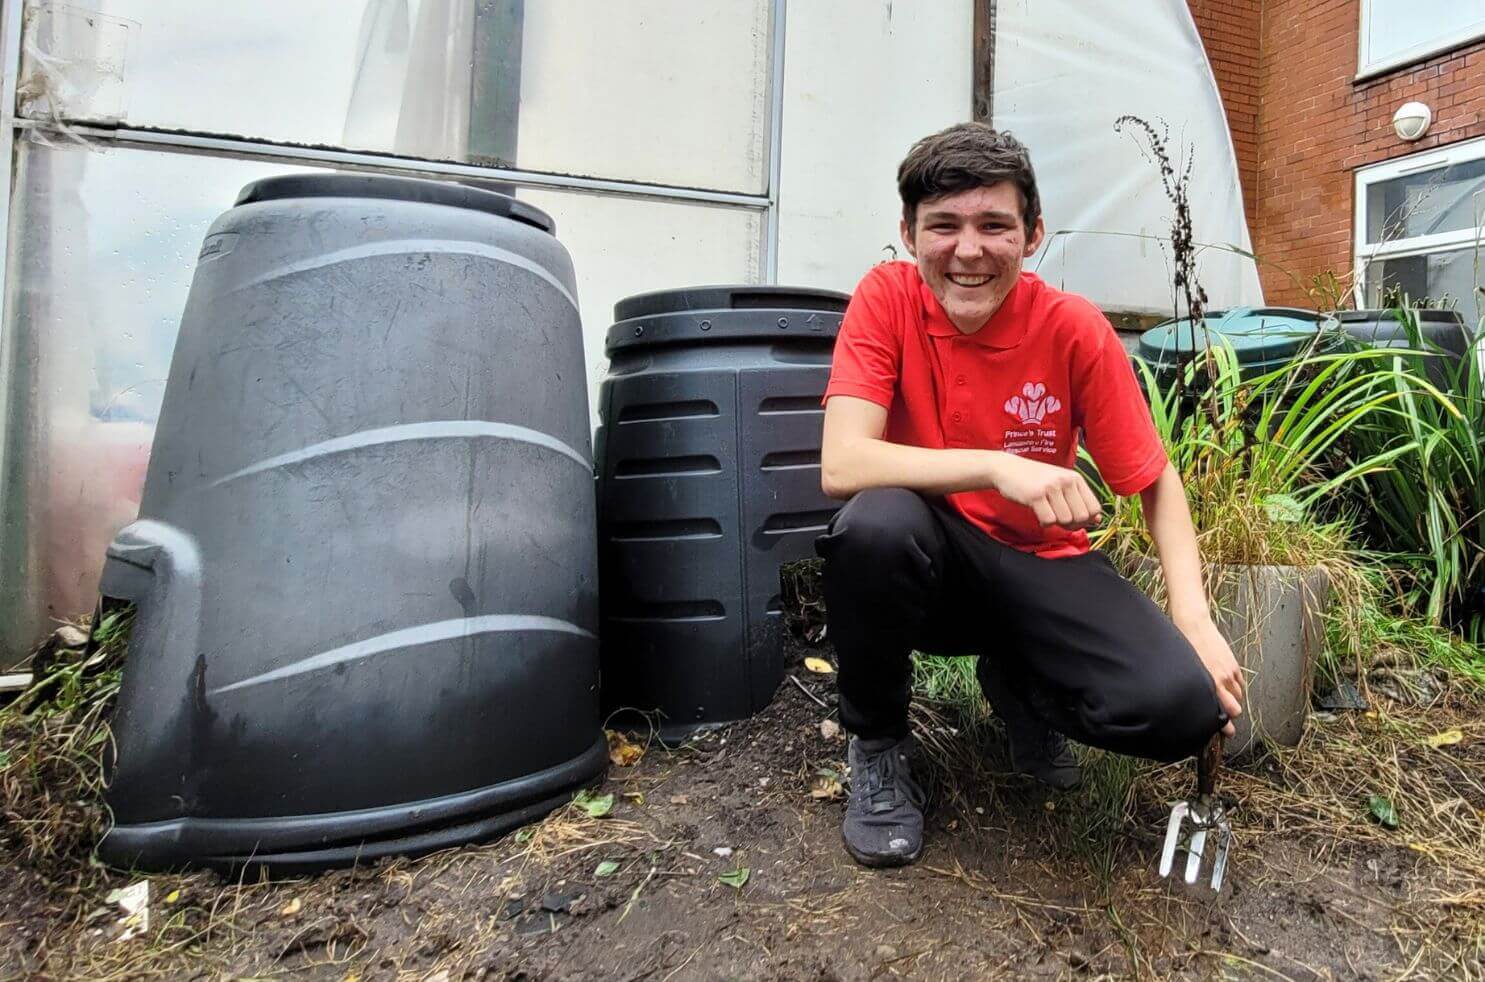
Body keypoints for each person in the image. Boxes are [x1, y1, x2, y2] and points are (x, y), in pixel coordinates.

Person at [816, 122, 1244, 869]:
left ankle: (1018, 684)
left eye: (994, 226)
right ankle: (879, 745)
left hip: (1041, 564)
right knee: (873, 527)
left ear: (1033, 233)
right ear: (909, 234)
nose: (968, 250)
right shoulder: (884, 300)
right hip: (932, 564)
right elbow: (843, 462)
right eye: (942, 226)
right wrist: (993, 467)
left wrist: (1194, 619)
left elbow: (1152, 481)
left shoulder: (1071, 327)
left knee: (1181, 707)